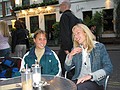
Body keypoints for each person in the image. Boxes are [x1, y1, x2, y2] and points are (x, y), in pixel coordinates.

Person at [64, 24, 113, 90]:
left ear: (86, 33)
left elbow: (109, 68)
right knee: (64, 87)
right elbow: (67, 68)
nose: (76, 37)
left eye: (78, 33)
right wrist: (70, 55)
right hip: (78, 80)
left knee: (79, 88)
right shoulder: (76, 49)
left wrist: (90, 76)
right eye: (74, 35)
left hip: (95, 81)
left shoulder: (98, 47)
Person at [58, 0, 80, 76]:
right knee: (73, 68)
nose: (59, 7)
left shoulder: (64, 16)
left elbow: (64, 33)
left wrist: (66, 49)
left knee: (64, 69)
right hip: (74, 46)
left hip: (67, 49)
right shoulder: (74, 17)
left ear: (64, 6)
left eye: (60, 5)